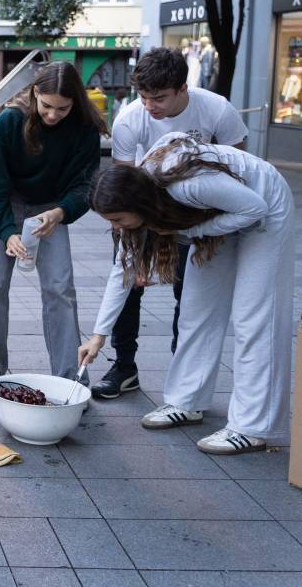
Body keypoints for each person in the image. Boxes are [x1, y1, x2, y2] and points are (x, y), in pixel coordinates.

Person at [80, 133, 294, 454]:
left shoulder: (185, 188)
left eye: (117, 219)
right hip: (219, 213)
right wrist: (98, 336)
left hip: (263, 205)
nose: (116, 226)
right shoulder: (142, 191)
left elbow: (254, 208)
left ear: (136, 204)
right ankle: (187, 400)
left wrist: (191, 231)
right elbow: (121, 270)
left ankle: (251, 427)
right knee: (196, 309)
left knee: (255, 318)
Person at [91, 47, 248, 400]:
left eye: (159, 97)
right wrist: (137, 248)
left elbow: (240, 167)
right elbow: (124, 188)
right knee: (128, 284)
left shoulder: (217, 110)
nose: (150, 106)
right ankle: (123, 366)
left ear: (182, 89)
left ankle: (182, 370)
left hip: (198, 212)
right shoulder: (130, 119)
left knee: (188, 294)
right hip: (141, 209)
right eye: (144, 97)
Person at [0, 61, 105, 389]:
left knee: (60, 288)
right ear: (34, 94)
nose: (52, 115)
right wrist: (6, 232)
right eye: (46, 106)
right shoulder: (10, 120)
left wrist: (61, 212)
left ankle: (70, 378)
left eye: (62, 108)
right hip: (8, 203)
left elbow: (86, 185)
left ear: (76, 102)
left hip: (53, 207)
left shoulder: (85, 127)